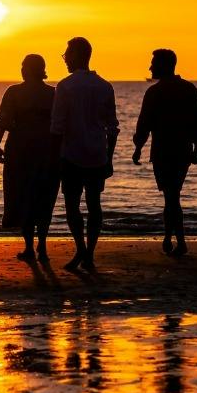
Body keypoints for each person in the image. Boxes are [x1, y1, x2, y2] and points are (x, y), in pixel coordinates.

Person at [51, 36, 118, 273]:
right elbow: (113, 127)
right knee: (94, 205)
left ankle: (81, 248)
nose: (65, 59)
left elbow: (57, 127)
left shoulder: (65, 86)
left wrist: (54, 158)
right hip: (97, 154)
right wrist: (109, 158)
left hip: (71, 155)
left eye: (67, 55)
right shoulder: (104, 86)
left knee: (72, 205)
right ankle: (88, 253)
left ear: (76, 56)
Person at [131, 49, 197, 257]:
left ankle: (177, 241)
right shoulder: (189, 89)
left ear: (164, 65)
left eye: (153, 63)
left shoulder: (154, 93)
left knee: (171, 196)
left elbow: (144, 123)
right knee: (172, 196)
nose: (150, 67)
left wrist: (138, 148)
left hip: (164, 152)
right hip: (182, 152)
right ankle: (170, 238)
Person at [0, 54, 61, 263]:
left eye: (24, 66)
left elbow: (3, 121)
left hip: (20, 152)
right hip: (48, 152)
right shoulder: (54, 93)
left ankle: (30, 247)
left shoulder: (14, 92)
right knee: (44, 198)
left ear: (30, 69)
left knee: (23, 198)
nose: (21, 69)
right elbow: (61, 125)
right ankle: (41, 245)